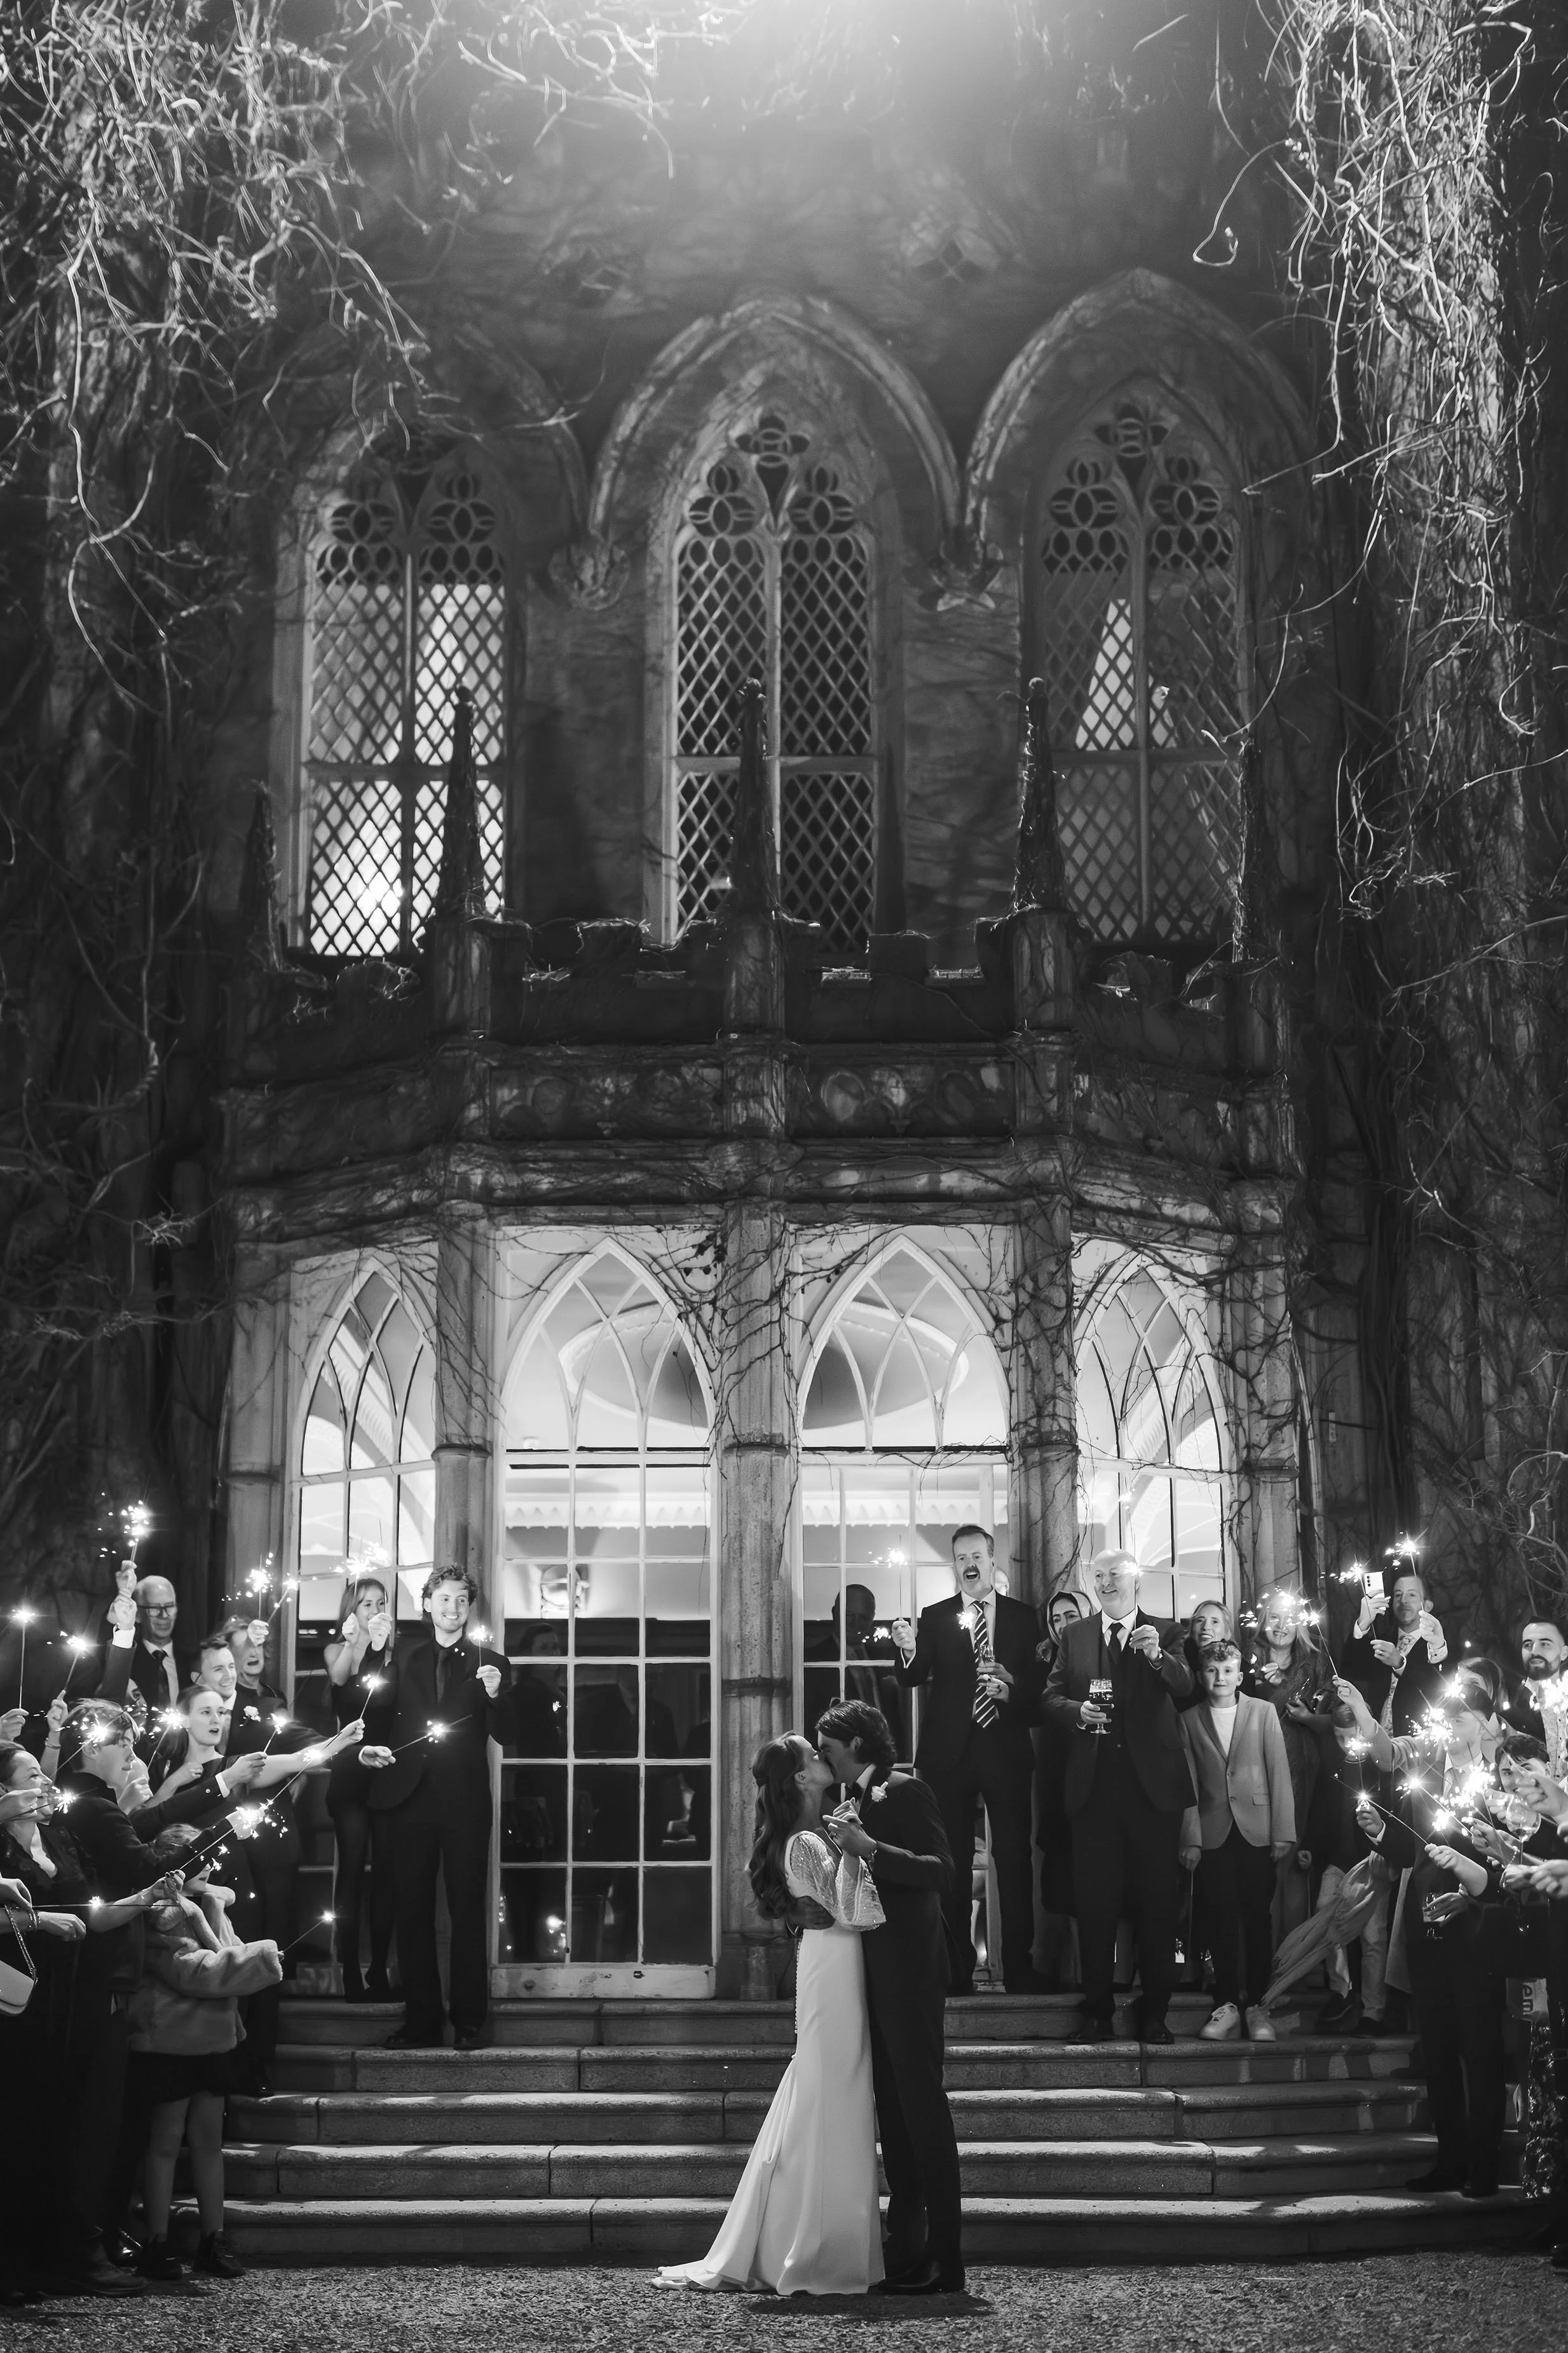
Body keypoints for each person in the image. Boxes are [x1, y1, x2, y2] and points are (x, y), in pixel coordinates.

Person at [656, 1733, 885, 2295]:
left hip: (835, 1963)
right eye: (813, 1755)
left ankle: (817, 2234)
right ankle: (817, 2246)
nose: (823, 1758)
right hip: (833, 1967)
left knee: (829, 2092)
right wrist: (863, 1850)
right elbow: (853, 1914)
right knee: (833, 2091)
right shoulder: (806, 1840)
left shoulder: (816, 1831)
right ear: (801, 1779)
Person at [0, 1741, 181, 2296]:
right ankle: (10, 2264)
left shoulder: (59, 1836)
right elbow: (34, 1919)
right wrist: (39, 1924)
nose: (45, 1783)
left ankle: (63, 2254)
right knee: (14, 2126)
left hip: (71, 1997)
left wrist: (144, 1896)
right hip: (15, 1997)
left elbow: (90, 1915)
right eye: (31, 1774)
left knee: (64, 2124)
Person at [1339, 1656, 1511, 2193]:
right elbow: (1414, 1849)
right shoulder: (1430, 1765)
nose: (1449, 1728)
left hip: (1476, 1928)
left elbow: (1511, 1857)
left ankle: (1484, 2166)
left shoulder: (1499, 1775)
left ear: (1484, 1720)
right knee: (1436, 2047)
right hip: (1425, 1922)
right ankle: (1449, 2159)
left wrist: (1472, 1893)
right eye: (1447, 1718)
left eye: (1460, 1719)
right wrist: (1377, 1833)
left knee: (1478, 2049)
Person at [815, 1698, 964, 2295]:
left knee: (923, 2108)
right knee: (894, 2116)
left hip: (912, 1969)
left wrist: (868, 1846)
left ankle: (945, 2258)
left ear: (855, 1742)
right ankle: (905, 2250)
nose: (821, 1748)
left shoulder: (905, 1790)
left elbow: (941, 1869)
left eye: (828, 1740)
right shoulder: (841, 1801)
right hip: (871, 1971)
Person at [1044, 1547, 1195, 2043]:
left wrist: (1156, 1655)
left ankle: (1155, 2012)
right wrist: (1076, 1712)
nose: (1106, 1581)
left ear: (1136, 1581)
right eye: (1099, 1574)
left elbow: (1186, 1686)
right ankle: (1097, 2011)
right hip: (1094, 1791)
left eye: (1116, 1574)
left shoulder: (1167, 1630)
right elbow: (1049, 1697)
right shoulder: (1076, 1634)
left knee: (1157, 1906)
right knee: (1095, 1905)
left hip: (1154, 1794)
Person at [360, 1566, 514, 2050]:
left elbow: (508, 1734)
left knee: (468, 1910)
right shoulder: (402, 1656)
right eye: (443, 1598)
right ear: (427, 1604)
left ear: (469, 1607)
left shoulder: (491, 1662)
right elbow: (372, 1712)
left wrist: (495, 1694)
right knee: (412, 1910)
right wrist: (367, 1749)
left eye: (461, 1600)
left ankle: (469, 2022)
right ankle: (422, 2021)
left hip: (465, 1802)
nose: (452, 1607)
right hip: (407, 1797)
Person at [890, 1525, 1046, 1994]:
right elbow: (911, 1677)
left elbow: (1039, 1691)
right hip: (948, 1755)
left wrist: (1010, 1687)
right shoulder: (935, 1616)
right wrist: (907, 1646)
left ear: (992, 1559)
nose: (968, 1563)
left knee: (1014, 1860)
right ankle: (955, 1969)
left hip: (1006, 1749)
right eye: (960, 1558)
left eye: (976, 1554)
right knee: (950, 1862)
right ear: (955, 1565)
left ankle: (1018, 1968)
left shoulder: (1023, 1617)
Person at [126, 1861, 283, 2281]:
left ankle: (214, 2240)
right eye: (202, 1862)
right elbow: (197, 1972)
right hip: (172, 2041)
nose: (213, 1868)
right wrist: (260, 1958)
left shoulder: (213, 1906)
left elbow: (227, 1954)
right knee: (164, 2142)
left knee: (209, 2142)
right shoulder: (161, 1914)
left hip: (212, 2042)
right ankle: (156, 2243)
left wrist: (212, 1914)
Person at [1178, 1637, 1297, 2041]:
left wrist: (1283, 1831)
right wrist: (1190, 1838)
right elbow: (1189, 1784)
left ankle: (1259, 2007)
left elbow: (1279, 1770)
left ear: (1240, 1675)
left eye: (1228, 1670)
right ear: (1200, 1675)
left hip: (1258, 1830)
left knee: (1257, 1918)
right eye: (1212, 1671)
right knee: (1219, 1918)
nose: (1220, 1677)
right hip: (1213, 1832)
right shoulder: (1189, 1719)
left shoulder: (1263, 1712)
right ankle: (1226, 2004)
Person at [1244, 1588, 1338, 1938]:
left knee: (1296, 1860)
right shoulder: (1248, 1657)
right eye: (1274, 1618)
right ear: (1264, 1622)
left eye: (1289, 1620)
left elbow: (1331, 1716)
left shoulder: (1315, 1661)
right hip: (1256, 1763)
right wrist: (1268, 1691)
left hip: (1302, 1765)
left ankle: (1292, 1965)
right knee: (1262, 1861)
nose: (1281, 1626)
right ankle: (1258, 1963)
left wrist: (1301, 1709)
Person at [322, 1572, 398, 2000]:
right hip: (350, 1772)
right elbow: (337, 1680)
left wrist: (380, 1647)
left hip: (388, 1774)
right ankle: (349, 1971)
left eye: (380, 1602)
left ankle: (380, 1971)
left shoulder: (393, 1655)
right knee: (352, 1869)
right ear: (351, 1609)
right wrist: (355, 1642)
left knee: (388, 1873)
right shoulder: (339, 1648)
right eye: (366, 1603)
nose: (374, 1610)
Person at [1035, 1588, 1088, 1991]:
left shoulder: (1106, 1651)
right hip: (1056, 1776)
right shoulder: (1044, 1661)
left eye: (1071, 1616)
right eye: (1056, 1619)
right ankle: (1060, 1971)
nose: (1062, 1624)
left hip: (1096, 1775)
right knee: (1059, 1877)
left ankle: (1094, 1973)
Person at [1341, 1563, 1447, 1736]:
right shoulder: (1382, 1641)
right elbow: (1349, 1669)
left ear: (1427, 1606)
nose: (1403, 1600)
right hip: (1375, 1740)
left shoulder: (1438, 1644)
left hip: (1416, 1743)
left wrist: (1399, 1663)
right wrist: (1363, 1622)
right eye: (1398, 1595)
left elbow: (1438, 1685)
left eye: (1412, 1595)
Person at [97, 1575, 194, 1717]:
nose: (164, 1615)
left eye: (170, 1607)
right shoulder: (124, 1662)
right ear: (138, 1615)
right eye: (154, 1609)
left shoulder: (192, 1662)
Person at [1508, 1617, 1568, 1773]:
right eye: (1528, 1645)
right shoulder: (1510, 1704)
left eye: (1545, 1644)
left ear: (1564, 1653)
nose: (1534, 1651)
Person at [1180, 1599, 1233, 1706]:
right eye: (1200, 1621)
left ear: (1226, 1631)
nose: (1206, 1627)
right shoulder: (1178, 1664)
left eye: (1215, 1622)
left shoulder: (1238, 1666)